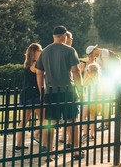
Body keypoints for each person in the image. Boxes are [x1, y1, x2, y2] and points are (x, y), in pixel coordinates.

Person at [35, 26, 84, 161]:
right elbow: (76, 71)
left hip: (51, 92)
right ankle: (75, 152)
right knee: (72, 121)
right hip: (68, 91)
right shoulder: (70, 50)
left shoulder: (44, 51)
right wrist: (80, 89)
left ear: (54, 36)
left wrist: (42, 91)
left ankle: (49, 153)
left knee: (51, 122)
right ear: (64, 36)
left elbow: (39, 73)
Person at [15, 43, 43, 151]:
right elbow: (39, 79)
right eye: (40, 50)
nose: (41, 52)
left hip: (25, 94)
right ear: (35, 52)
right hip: (34, 94)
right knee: (43, 119)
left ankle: (19, 144)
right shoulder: (36, 65)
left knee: (24, 121)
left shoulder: (26, 64)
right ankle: (38, 135)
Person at [81, 63, 102, 143]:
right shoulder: (98, 79)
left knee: (84, 117)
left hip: (89, 99)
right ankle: (91, 134)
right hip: (95, 100)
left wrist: (87, 75)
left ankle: (85, 134)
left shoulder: (90, 78)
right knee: (92, 118)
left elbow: (83, 84)